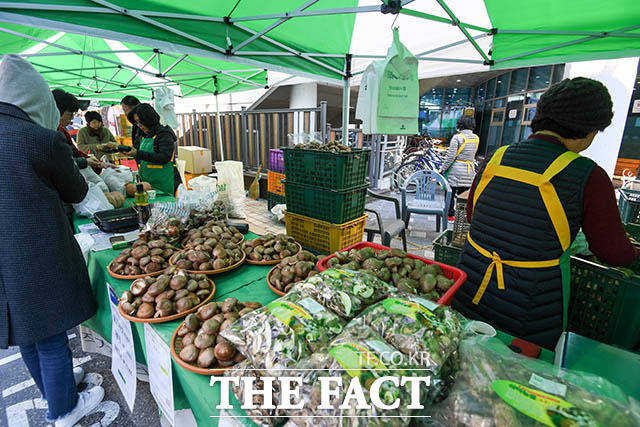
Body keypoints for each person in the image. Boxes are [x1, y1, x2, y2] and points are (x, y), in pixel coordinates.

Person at [452, 77, 638, 350]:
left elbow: (472, 215)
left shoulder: (497, 157)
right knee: (513, 377)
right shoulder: (588, 176)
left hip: (469, 288)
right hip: (529, 310)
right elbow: (615, 253)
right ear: (588, 129)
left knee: (460, 355)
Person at [0, 55, 104, 426]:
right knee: (50, 333)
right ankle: (64, 409)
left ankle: (53, 389)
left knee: (25, 331)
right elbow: (76, 192)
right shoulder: (41, 139)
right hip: (37, 248)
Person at [127, 103, 181, 195]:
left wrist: (138, 154)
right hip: (147, 183)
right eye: (136, 122)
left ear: (149, 119)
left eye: (140, 122)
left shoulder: (164, 134)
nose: (139, 125)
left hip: (164, 183)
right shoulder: (144, 135)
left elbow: (164, 157)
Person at [439, 116, 479, 221]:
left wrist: (442, 169)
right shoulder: (476, 138)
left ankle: (450, 216)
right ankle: (461, 218)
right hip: (469, 170)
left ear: (460, 125)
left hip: (455, 171)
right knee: (463, 196)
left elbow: (450, 156)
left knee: (450, 194)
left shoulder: (457, 137)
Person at [51, 89, 101, 171]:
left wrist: (94, 161)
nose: (72, 119)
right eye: (70, 114)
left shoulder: (62, 131)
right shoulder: (48, 134)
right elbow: (59, 163)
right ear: (58, 111)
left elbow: (76, 152)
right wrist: (86, 161)